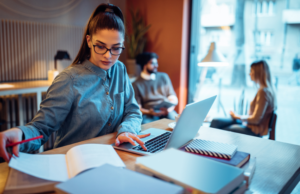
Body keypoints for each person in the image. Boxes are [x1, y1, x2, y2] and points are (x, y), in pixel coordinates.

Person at [0, 3, 150, 163]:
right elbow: (41, 128)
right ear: (89, 41)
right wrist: (20, 133)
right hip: (73, 163)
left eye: (116, 48)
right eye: (100, 46)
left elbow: (133, 111)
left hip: (113, 157)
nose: (108, 56)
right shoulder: (68, 79)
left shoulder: (120, 69)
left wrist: (125, 131)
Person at [210, 60, 276, 137]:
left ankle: (208, 147)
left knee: (224, 129)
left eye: (251, 71)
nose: (249, 74)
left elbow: (256, 119)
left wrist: (236, 116)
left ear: (258, 73)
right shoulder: (267, 90)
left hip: (254, 129)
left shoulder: (263, 92)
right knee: (216, 121)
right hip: (249, 125)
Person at [132, 52, 178, 124]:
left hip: (166, 110)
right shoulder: (136, 84)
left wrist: (168, 110)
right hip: (149, 114)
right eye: (152, 63)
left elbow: (173, 97)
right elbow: (138, 108)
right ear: (144, 65)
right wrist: (150, 112)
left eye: (156, 63)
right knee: (149, 128)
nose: (156, 66)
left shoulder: (164, 77)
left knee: (177, 123)